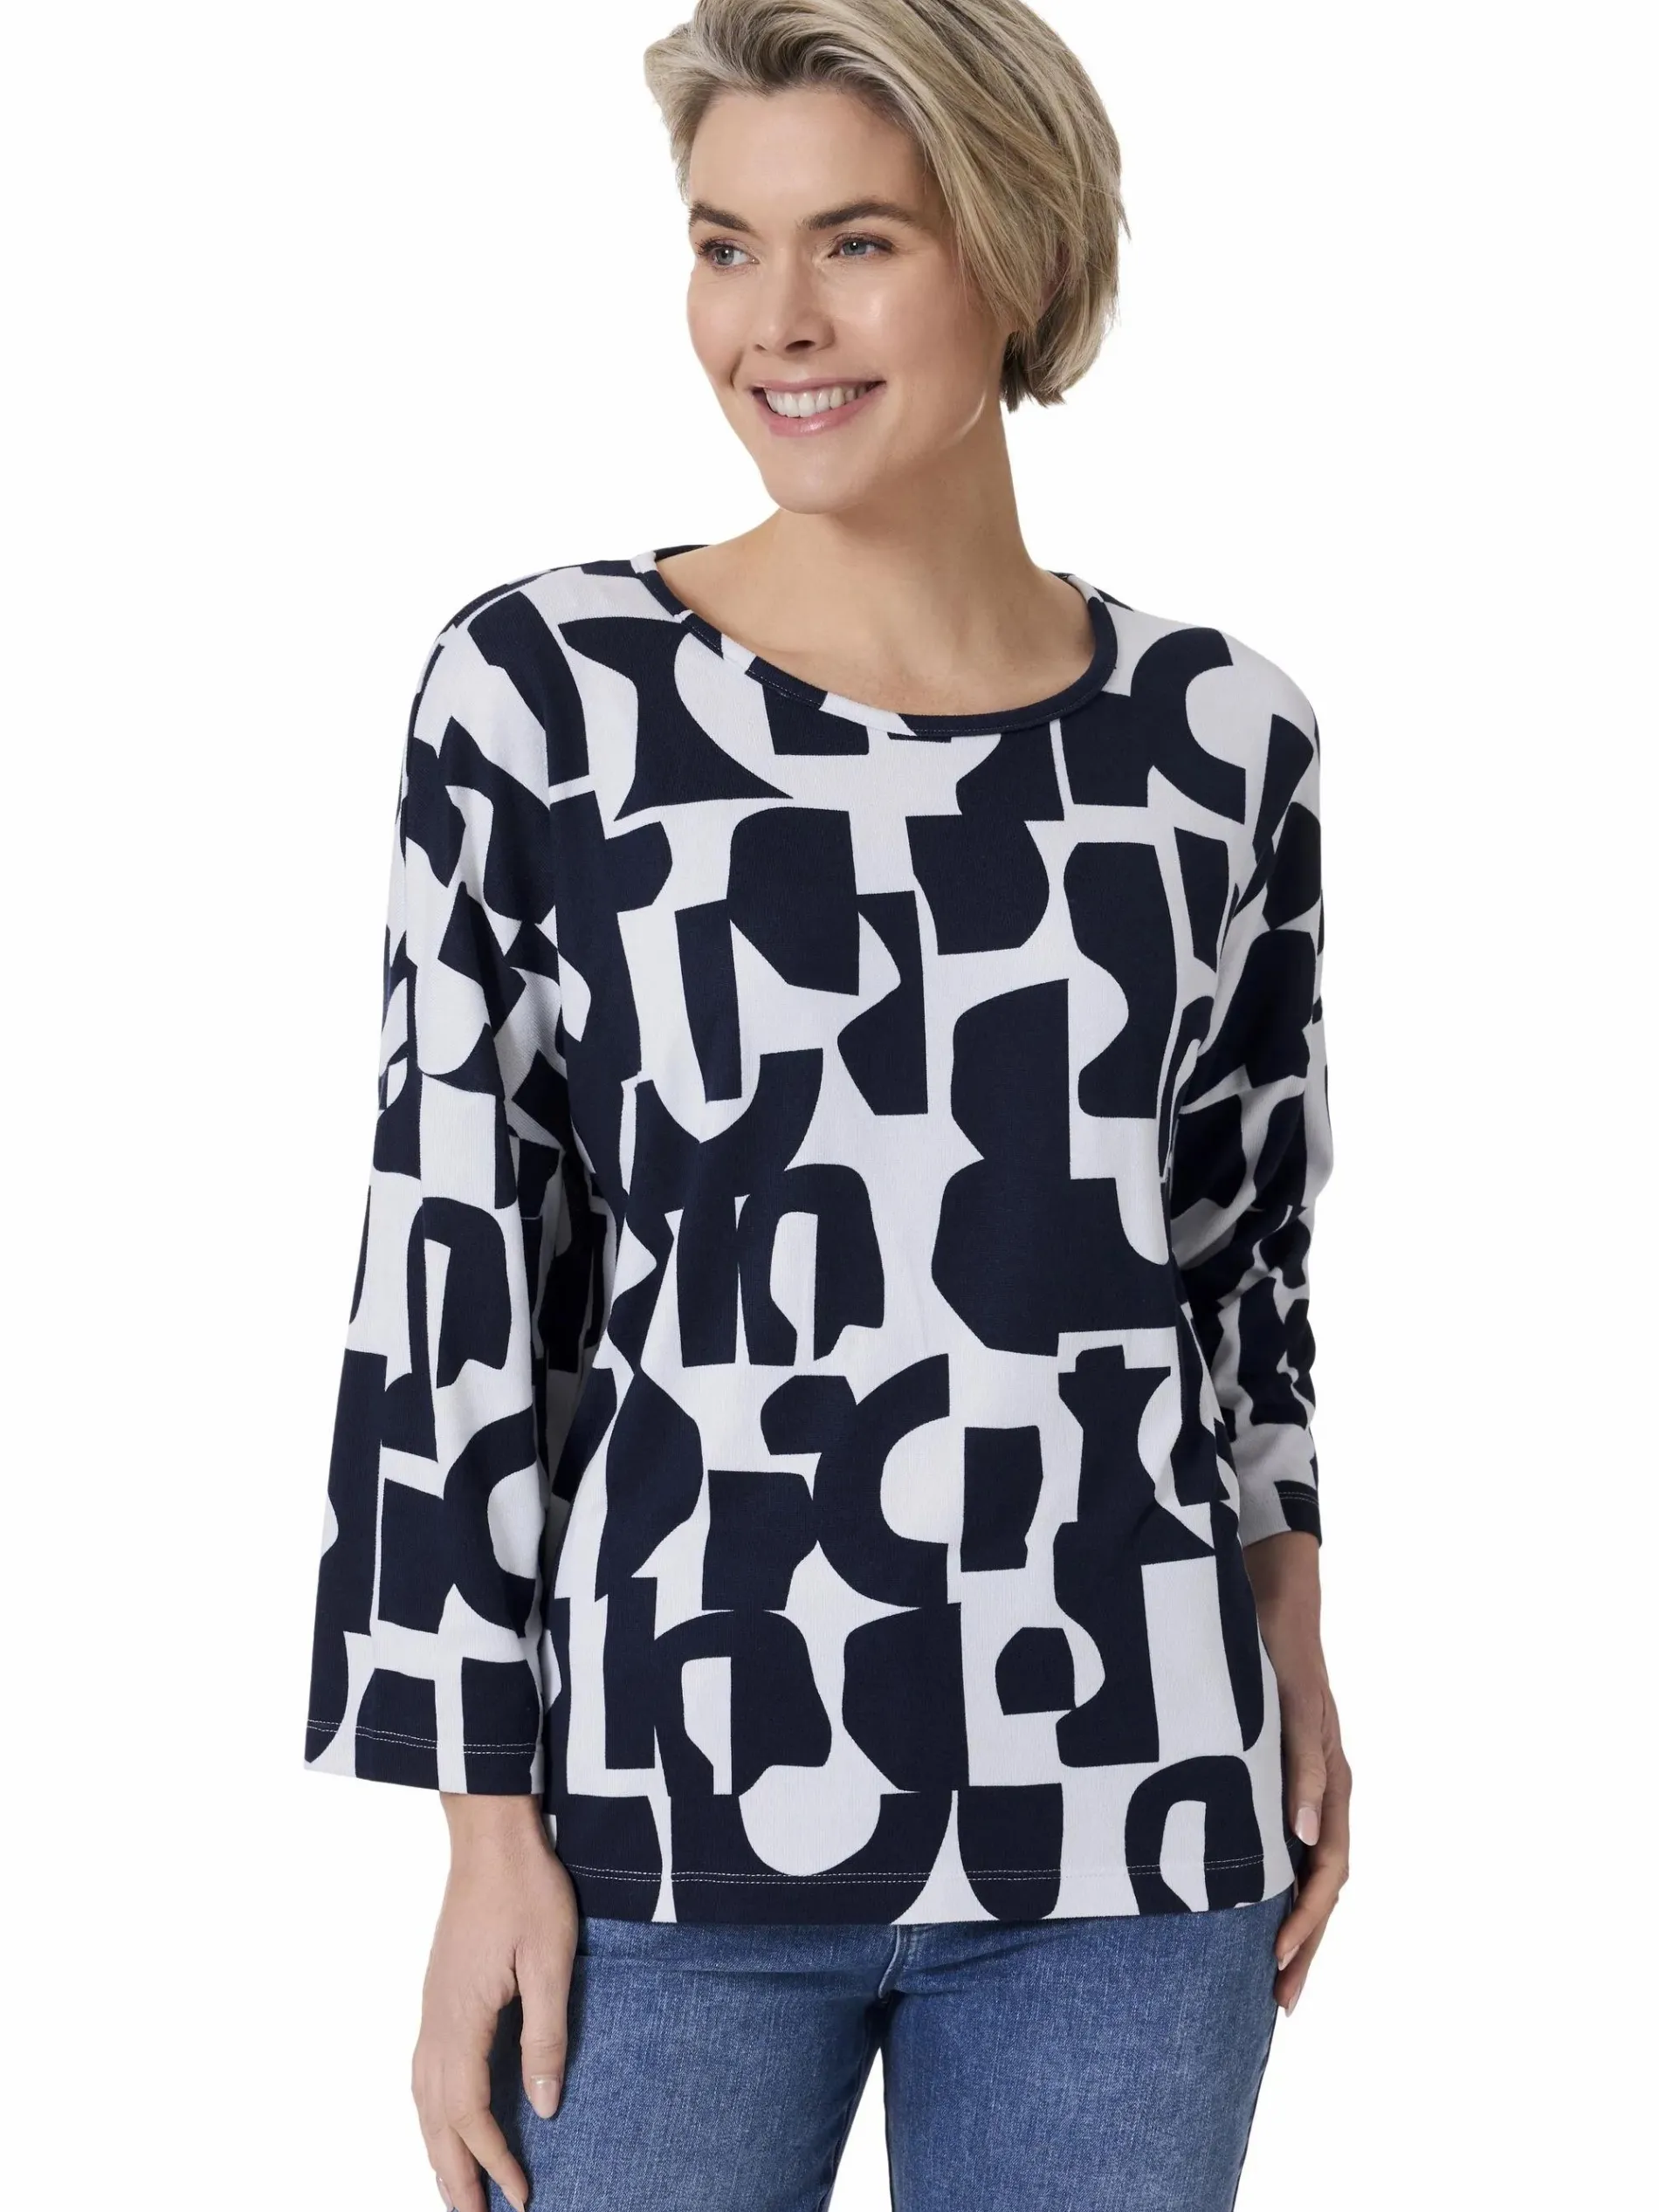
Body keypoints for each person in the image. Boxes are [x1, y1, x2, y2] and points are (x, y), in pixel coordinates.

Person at [301, 3, 1352, 2206]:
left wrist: (1293, 1640)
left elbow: (1234, 1254)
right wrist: (478, 1824)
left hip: (1133, 1819)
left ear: (1017, 255)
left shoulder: (1219, 738)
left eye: (855, 243)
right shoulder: (546, 694)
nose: (770, 321)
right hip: (659, 1822)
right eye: (723, 245)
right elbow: (455, 1276)